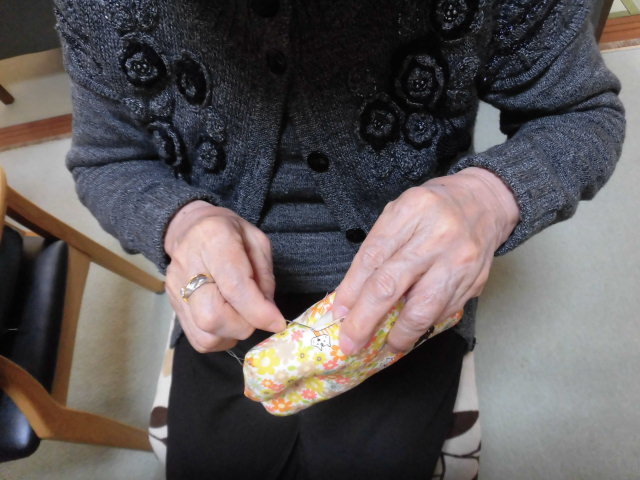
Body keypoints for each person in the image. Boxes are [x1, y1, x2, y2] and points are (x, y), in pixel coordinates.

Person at [53, 0, 625, 478]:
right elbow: (108, 160)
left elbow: (581, 114)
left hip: (411, 276)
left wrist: (489, 197)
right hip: (224, 286)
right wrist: (180, 224)